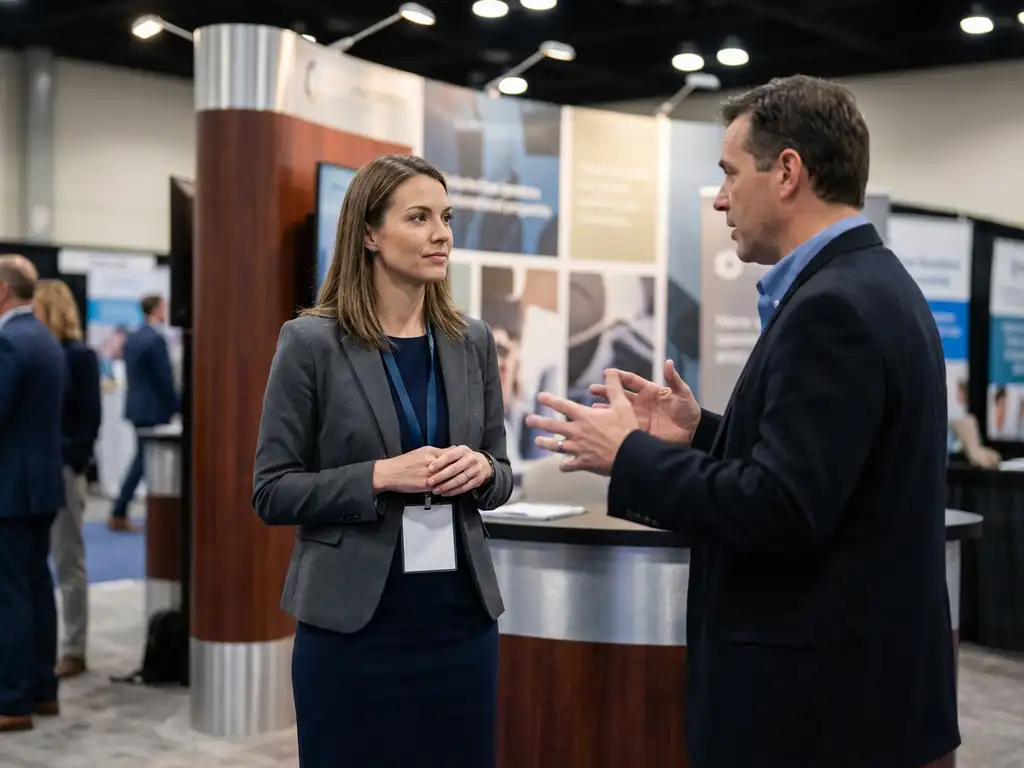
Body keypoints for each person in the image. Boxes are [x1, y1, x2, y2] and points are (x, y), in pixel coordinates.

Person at [526, 75, 959, 768]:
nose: (721, 198)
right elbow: (832, 474)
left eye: (729, 175)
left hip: (820, 717)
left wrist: (631, 454)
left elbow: (783, 510)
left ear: (787, 171)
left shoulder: (833, 308)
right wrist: (700, 433)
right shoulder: (872, 283)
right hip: (859, 704)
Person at [253, 154, 513, 768]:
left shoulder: (470, 339)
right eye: (418, 217)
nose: (440, 233)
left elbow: (501, 473)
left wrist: (482, 470)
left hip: (459, 624)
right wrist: (378, 475)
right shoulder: (311, 343)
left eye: (446, 217)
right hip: (353, 630)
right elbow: (272, 490)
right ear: (369, 234)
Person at [0, 255, 66, 732]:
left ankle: (13, 700)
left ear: (4, 291)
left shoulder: (8, 342)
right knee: (37, 588)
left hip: (10, 489)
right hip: (41, 486)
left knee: (12, 594)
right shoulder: (44, 339)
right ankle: (43, 690)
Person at [34, 279, 102, 679]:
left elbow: (90, 418)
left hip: (62, 470)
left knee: (68, 561)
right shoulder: (40, 353)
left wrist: (72, 460)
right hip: (36, 472)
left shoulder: (79, 356)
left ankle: (74, 648)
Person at [109, 295, 179, 531]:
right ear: (157, 309)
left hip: (137, 408)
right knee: (143, 461)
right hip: (153, 410)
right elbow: (164, 379)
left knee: (142, 460)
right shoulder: (155, 339)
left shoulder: (133, 337)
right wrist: (177, 407)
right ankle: (120, 510)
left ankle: (123, 510)